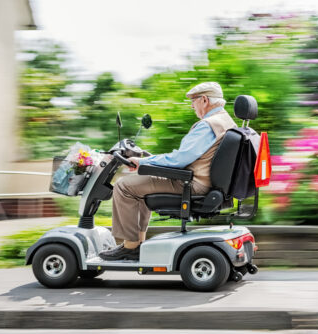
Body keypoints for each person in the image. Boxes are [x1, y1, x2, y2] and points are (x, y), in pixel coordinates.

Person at [99, 82, 237, 261]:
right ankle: (137, 243)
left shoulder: (207, 125)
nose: (191, 105)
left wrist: (143, 162)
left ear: (204, 100)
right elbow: (188, 157)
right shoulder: (227, 122)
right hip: (205, 181)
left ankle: (131, 246)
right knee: (138, 183)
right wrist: (148, 161)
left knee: (124, 186)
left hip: (192, 183)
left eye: (193, 101)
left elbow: (179, 160)